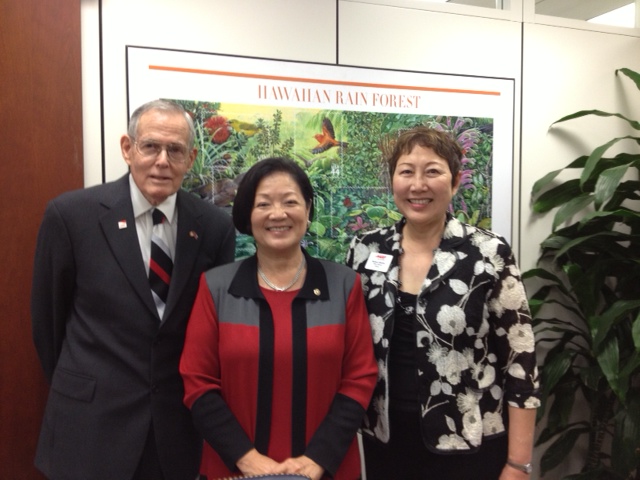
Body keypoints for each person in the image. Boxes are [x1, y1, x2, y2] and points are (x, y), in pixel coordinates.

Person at [31, 99, 236, 480]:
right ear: (128, 149)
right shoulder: (71, 216)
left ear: (190, 158)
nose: (162, 160)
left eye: (175, 150)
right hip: (89, 427)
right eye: (150, 146)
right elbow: (48, 324)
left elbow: (212, 331)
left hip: (174, 433)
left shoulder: (213, 227)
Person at [345, 127, 540, 480]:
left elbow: (521, 359)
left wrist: (518, 464)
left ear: (455, 181)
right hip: (386, 444)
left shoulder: (488, 253)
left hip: (471, 442)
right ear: (393, 181)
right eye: (406, 171)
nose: (417, 185)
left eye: (432, 171)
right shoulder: (366, 250)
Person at [179, 157, 377, 480]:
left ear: (308, 209)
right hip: (234, 472)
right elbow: (197, 382)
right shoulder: (216, 287)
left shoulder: (343, 285)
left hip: (327, 471)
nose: (278, 214)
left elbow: (360, 379)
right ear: (247, 214)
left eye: (290, 202)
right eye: (264, 204)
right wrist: (249, 461)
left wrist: (316, 460)